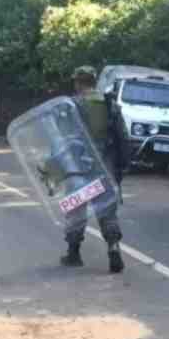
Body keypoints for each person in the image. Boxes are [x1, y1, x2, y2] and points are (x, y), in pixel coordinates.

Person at [60, 66, 127, 274]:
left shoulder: (71, 106)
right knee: (107, 211)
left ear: (78, 82)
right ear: (94, 81)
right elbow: (123, 139)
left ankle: (74, 253)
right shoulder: (110, 105)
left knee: (76, 212)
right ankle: (114, 248)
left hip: (78, 168)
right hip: (104, 168)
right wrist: (121, 168)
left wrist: (56, 167)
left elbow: (61, 139)